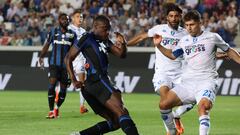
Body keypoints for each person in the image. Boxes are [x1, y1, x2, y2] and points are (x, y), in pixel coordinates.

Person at [153, 10, 240, 135]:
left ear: (200, 23)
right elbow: (172, 55)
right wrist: (159, 46)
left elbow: (229, 51)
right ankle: (172, 131)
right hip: (187, 83)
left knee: (203, 108)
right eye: (187, 25)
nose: (189, 28)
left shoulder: (212, 37)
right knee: (164, 104)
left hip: (206, 81)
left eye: (192, 25)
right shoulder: (184, 41)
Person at [65, 15, 139, 135]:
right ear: (95, 27)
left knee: (115, 122)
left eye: (108, 29)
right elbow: (68, 58)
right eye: (105, 29)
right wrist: (73, 79)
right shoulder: (87, 38)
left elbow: (121, 54)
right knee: (122, 112)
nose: (107, 32)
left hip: (93, 85)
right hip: (98, 81)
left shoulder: (104, 41)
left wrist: (123, 44)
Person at [127, 3, 194, 134]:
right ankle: (171, 131)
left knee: (194, 99)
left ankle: (176, 115)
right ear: (167, 18)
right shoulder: (159, 29)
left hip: (181, 74)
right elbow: (141, 37)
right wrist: (125, 44)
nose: (174, 18)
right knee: (165, 100)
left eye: (176, 16)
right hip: (162, 74)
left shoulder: (186, 33)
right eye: (171, 16)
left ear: (180, 17)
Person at [38, 13, 77, 119]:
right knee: (51, 85)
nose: (65, 21)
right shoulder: (53, 32)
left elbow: (76, 50)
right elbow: (46, 45)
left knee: (63, 91)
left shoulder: (73, 34)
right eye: (63, 19)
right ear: (59, 20)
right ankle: (51, 111)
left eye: (67, 19)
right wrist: (41, 57)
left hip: (66, 67)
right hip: (54, 65)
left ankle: (57, 107)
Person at [68, 9, 88, 114]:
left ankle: (82, 106)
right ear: (72, 18)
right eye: (77, 17)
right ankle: (55, 105)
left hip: (80, 59)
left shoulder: (84, 32)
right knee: (63, 82)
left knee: (82, 82)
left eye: (81, 17)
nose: (80, 19)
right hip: (69, 59)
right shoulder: (68, 29)